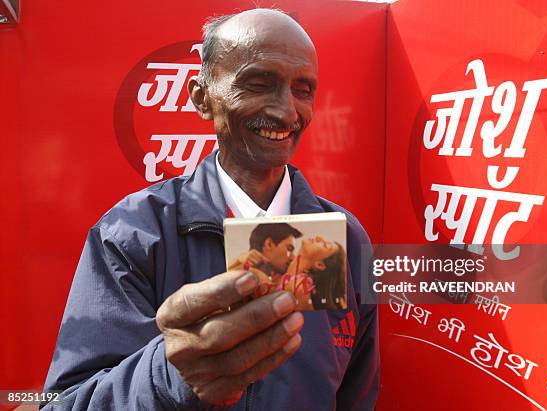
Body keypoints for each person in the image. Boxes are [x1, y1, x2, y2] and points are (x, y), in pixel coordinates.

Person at [43, 8, 379, 410]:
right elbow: (66, 403)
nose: (287, 111)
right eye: (259, 83)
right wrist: (169, 377)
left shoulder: (344, 237)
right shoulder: (132, 233)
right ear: (202, 98)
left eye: (303, 89)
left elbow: (356, 395)